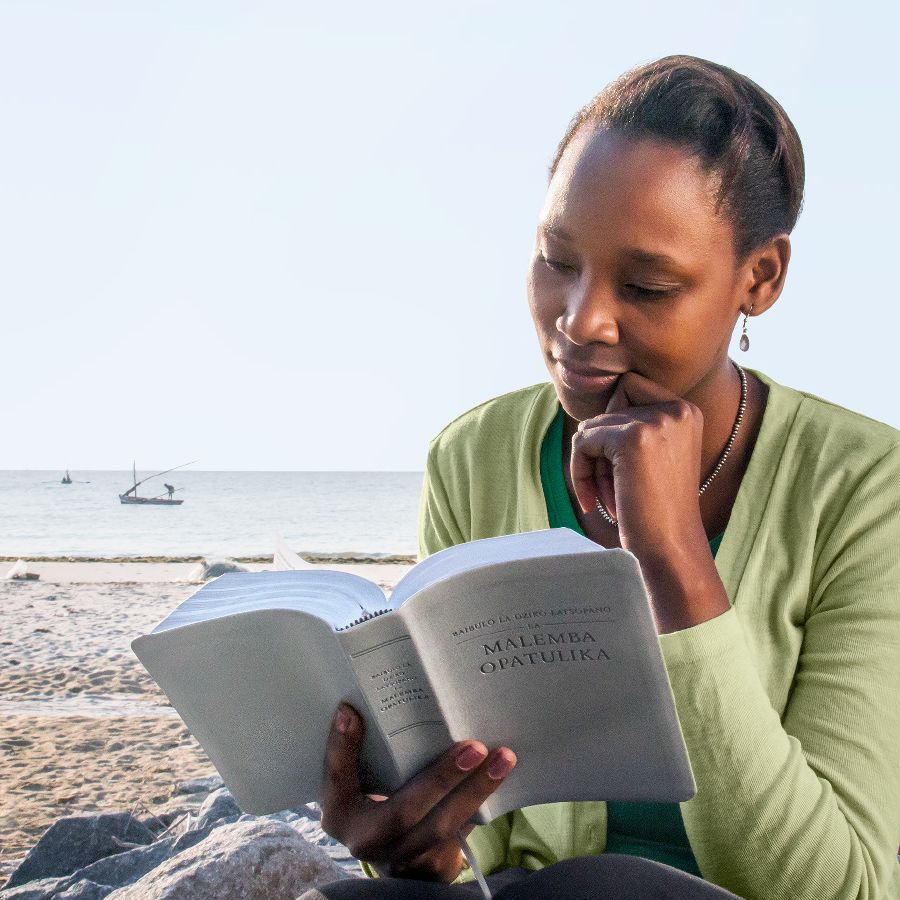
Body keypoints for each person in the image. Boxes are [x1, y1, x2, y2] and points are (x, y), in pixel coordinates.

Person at [302, 56, 900, 899]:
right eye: (556, 258)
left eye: (648, 286)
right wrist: (423, 850)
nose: (579, 320)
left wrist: (676, 558)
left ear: (759, 278)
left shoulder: (871, 491)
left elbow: (840, 887)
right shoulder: (473, 458)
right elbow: (487, 844)